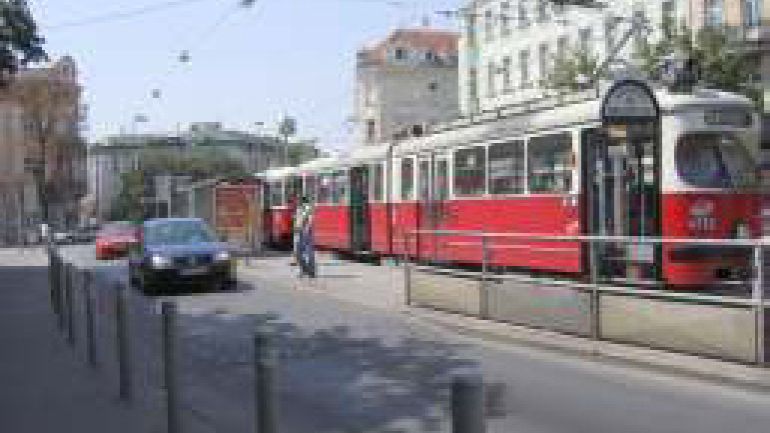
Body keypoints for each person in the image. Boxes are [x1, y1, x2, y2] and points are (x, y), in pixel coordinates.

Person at [295, 196, 316, 279]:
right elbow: (297, 220)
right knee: (298, 253)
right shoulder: (299, 209)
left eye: (298, 201)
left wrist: (307, 229)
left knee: (309, 252)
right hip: (298, 231)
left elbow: (310, 220)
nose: (297, 202)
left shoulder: (308, 209)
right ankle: (304, 269)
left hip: (306, 232)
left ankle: (311, 271)